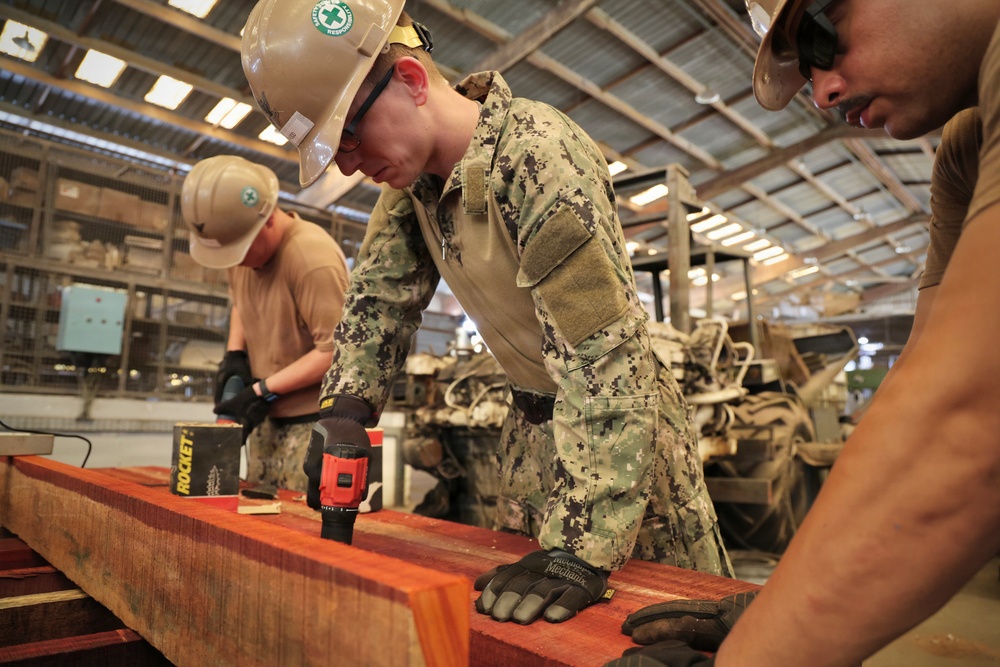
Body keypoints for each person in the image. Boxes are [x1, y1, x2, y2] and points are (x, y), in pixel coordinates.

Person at [241, 0, 733, 627]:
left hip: (623, 448)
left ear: (411, 81)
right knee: (522, 631)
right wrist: (345, 413)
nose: (347, 164)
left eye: (350, 136)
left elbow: (604, 359)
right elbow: (376, 303)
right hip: (531, 436)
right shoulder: (412, 190)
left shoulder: (538, 156)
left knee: (657, 628)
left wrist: (579, 549)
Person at [609, 1, 1000, 665]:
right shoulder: (966, 152)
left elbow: (967, 421)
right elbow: (919, 395)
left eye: (821, 38)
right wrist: (789, 607)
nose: (822, 94)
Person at [181, 155, 350, 497]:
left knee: (295, 522)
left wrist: (262, 390)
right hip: (266, 419)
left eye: (240, 252)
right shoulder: (238, 245)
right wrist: (235, 355)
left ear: (268, 218)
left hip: (311, 425)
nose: (236, 262)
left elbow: (335, 353)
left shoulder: (311, 259)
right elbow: (240, 300)